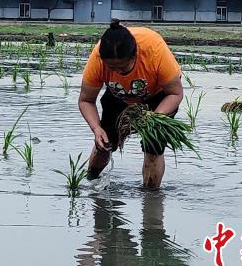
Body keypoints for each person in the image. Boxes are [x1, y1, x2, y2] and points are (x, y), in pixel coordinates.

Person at [78, 19, 183, 188]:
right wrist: (96, 129)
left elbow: (175, 93)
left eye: (123, 67)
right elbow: (86, 100)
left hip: (159, 97)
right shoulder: (98, 58)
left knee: (153, 147)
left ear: (135, 55)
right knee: (104, 143)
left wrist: (153, 118)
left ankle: (150, 198)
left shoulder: (154, 49)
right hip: (117, 95)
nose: (118, 71)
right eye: (112, 68)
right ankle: (90, 182)